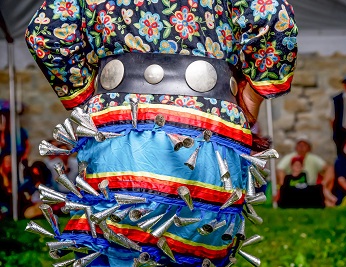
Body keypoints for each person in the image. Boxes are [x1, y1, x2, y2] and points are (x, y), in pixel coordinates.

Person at [26, 0, 298, 266]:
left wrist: (87, 97)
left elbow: (46, 33)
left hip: (118, 124)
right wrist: (252, 97)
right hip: (207, 124)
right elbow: (274, 15)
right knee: (196, 243)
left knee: (113, 237)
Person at [276, 135, 337, 206]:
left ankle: (329, 199)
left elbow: (329, 168)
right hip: (292, 190)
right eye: (299, 145)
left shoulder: (313, 159)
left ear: (308, 147)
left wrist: (324, 183)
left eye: (304, 145)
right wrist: (284, 185)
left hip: (310, 189)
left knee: (320, 190)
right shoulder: (289, 157)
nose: (301, 147)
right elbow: (280, 169)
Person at [0, 154, 12, 219]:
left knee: (6, 210)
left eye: (10, 162)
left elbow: (10, 190)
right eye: (7, 162)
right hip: (2, 202)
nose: (9, 164)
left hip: (6, 203)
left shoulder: (13, 174)